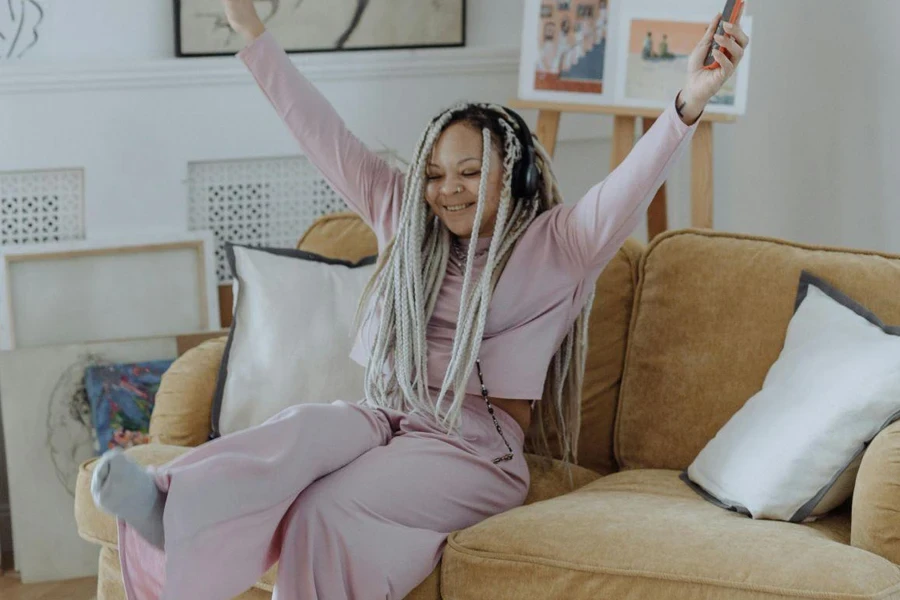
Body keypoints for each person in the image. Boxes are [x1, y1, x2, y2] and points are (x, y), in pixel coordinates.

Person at [90, 1, 749, 598]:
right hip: (387, 417)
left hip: (472, 453)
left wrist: (687, 101)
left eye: (470, 172)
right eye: (435, 173)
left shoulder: (560, 246)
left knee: (326, 508)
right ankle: (172, 509)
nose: (447, 190)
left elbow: (633, 183)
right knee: (302, 430)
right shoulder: (406, 221)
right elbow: (324, 136)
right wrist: (251, 31)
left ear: (512, 175)